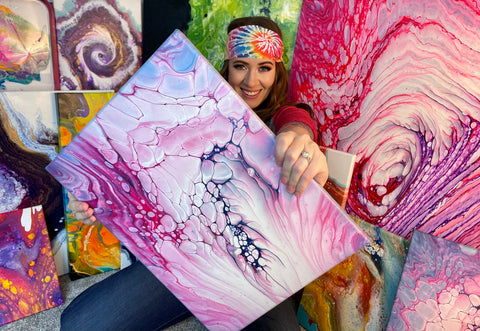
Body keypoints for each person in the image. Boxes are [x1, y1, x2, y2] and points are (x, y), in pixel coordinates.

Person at [61, 16, 328, 331]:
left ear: (277, 72)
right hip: (185, 254)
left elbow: (297, 122)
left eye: (264, 68)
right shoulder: (191, 111)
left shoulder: (281, 117)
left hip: (254, 268)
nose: (252, 81)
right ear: (227, 66)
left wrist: (300, 138)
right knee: (80, 324)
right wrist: (102, 202)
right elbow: (145, 179)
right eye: (241, 65)